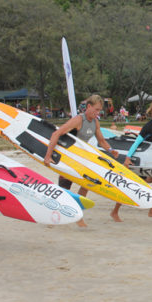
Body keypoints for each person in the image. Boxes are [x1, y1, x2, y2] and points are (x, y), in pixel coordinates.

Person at [43, 94, 119, 227]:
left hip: (81, 158)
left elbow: (101, 140)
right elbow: (56, 134)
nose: (97, 113)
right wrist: (48, 156)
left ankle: (78, 216)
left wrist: (110, 150)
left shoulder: (95, 121)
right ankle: (52, 216)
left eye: (99, 110)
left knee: (87, 184)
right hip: (68, 157)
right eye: (96, 110)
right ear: (88, 107)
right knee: (64, 189)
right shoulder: (79, 120)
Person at [111, 102, 152, 219]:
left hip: (146, 160)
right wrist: (128, 158)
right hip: (137, 160)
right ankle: (115, 211)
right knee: (129, 187)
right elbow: (136, 143)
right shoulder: (148, 127)